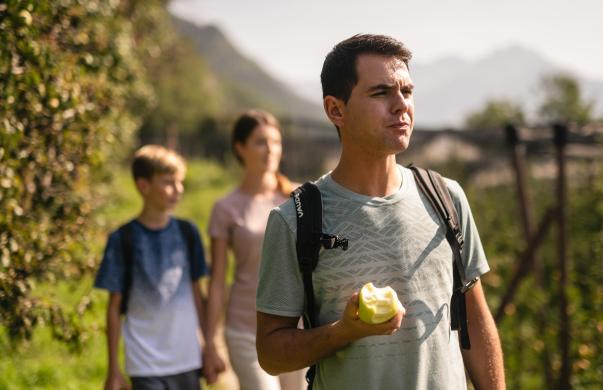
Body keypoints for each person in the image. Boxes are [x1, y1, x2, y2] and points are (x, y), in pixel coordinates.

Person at [255, 34, 506, 389]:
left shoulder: (446, 198)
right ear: (335, 110)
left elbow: (476, 325)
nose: (401, 104)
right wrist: (344, 332)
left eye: (407, 91)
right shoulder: (295, 220)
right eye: (381, 92)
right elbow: (270, 353)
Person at [202, 110, 305, 390]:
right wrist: (211, 341)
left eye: (276, 141)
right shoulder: (225, 208)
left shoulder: (299, 198)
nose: (270, 149)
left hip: (298, 329)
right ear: (240, 148)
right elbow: (218, 282)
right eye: (261, 142)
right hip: (245, 329)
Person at [95, 145, 208, 390]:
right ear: (143, 186)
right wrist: (113, 368)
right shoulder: (122, 239)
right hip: (145, 365)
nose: (177, 190)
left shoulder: (188, 233)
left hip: (188, 361)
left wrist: (210, 347)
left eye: (180, 182)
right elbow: (114, 308)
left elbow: (198, 296)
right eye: (168, 182)